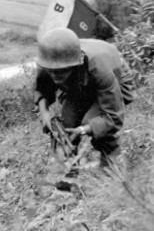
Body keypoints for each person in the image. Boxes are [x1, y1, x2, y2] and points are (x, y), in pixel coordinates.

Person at [34, 28, 135, 168]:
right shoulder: (49, 59)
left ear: (77, 64)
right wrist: (45, 115)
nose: (56, 78)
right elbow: (42, 90)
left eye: (61, 71)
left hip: (115, 76)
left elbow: (113, 117)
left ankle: (110, 156)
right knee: (66, 125)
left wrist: (82, 129)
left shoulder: (101, 70)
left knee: (93, 122)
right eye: (52, 72)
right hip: (79, 84)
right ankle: (66, 174)